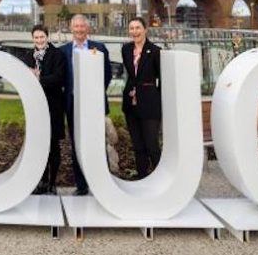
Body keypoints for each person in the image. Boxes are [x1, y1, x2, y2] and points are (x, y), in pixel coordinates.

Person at [59, 14, 111, 196]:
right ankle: (81, 185)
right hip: (72, 104)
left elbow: (107, 75)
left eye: (82, 26)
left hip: (94, 104)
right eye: (76, 27)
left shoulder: (100, 48)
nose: (80, 30)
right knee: (76, 143)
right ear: (71, 29)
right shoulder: (63, 51)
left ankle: (102, 185)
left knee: (98, 142)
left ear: (87, 28)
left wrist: (94, 94)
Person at [20, 24, 66, 194]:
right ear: (33, 38)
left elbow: (59, 78)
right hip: (35, 106)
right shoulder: (27, 56)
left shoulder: (57, 55)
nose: (39, 40)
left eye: (42, 37)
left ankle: (52, 182)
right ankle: (41, 181)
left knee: (53, 145)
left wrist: (40, 77)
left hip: (53, 105)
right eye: (36, 37)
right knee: (38, 146)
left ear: (47, 37)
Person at [121, 17, 163, 179]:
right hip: (131, 103)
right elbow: (132, 75)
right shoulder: (126, 49)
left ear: (145, 30)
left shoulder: (155, 51)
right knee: (138, 145)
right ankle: (142, 177)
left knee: (152, 144)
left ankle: (160, 178)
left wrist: (154, 95)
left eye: (138, 28)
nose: (135, 32)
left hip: (150, 103)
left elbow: (162, 78)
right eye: (131, 28)